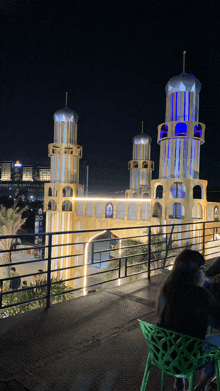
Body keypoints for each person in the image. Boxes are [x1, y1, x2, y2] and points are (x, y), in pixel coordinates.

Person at [156, 249, 220, 391]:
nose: (205, 272)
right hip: (185, 356)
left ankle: (180, 379)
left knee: (182, 333)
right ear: (193, 271)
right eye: (202, 268)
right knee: (218, 344)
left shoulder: (165, 289)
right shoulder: (201, 295)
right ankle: (201, 387)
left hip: (161, 352)